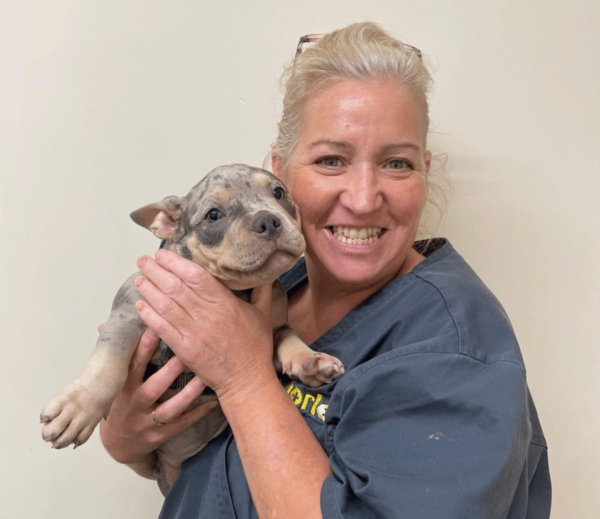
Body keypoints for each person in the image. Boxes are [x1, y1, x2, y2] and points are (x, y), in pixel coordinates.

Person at [99, 22, 551, 518]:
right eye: (331, 160)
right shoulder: (265, 289)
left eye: (397, 164)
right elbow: (214, 473)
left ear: (425, 170)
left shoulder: (454, 354)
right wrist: (128, 440)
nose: (362, 199)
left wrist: (245, 378)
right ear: (280, 173)